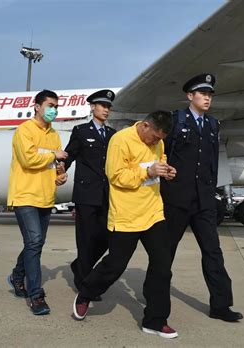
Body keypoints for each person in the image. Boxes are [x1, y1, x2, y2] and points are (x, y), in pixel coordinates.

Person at [73, 111, 179, 339]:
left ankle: (156, 320)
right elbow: (116, 176)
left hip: (152, 212)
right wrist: (147, 171)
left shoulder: (158, 142)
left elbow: (160, 162)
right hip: (126, 214)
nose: (156, 142)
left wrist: (166, 170)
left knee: (163, 266)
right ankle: (86, 292)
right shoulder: (120, 140)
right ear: (145, 125)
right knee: (115, 264)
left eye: (161, 139)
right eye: (154, 137)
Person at [161, 73, 243, 322]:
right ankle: (156, 298)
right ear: (190, 96)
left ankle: (220, 305)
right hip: (176, 198)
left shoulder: (213, 124)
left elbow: (211, 164)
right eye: (203, 94)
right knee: (165, 253)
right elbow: (161, 153)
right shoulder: (175, 120)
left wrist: (211, 191)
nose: (207, 98)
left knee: (213, 252)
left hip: (204, 200)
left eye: (210, 94)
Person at [6, 89, 68, 315]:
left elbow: (54, 164)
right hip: (25, 195)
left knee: (36, 243)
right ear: (37, 106)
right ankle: (36, 295)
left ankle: (16, 276)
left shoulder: (54, 135)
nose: (54, 110)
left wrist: (60, 174)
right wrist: (55, 156)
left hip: (45, 196)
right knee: (34, 241)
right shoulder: (24, 130)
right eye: (50, 105)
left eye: (56, 106)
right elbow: (28, 159)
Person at [63, 89, 116, 299]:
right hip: (86, 194)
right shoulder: (81, 131)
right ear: (92, 107)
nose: (106, 110)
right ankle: (85, 284)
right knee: (85, 239)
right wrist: (60, 171)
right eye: (103, 105)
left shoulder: (112, 134)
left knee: (106, 238)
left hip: (107, 195)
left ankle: (79, 265)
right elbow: (69, 155)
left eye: (109, 106)